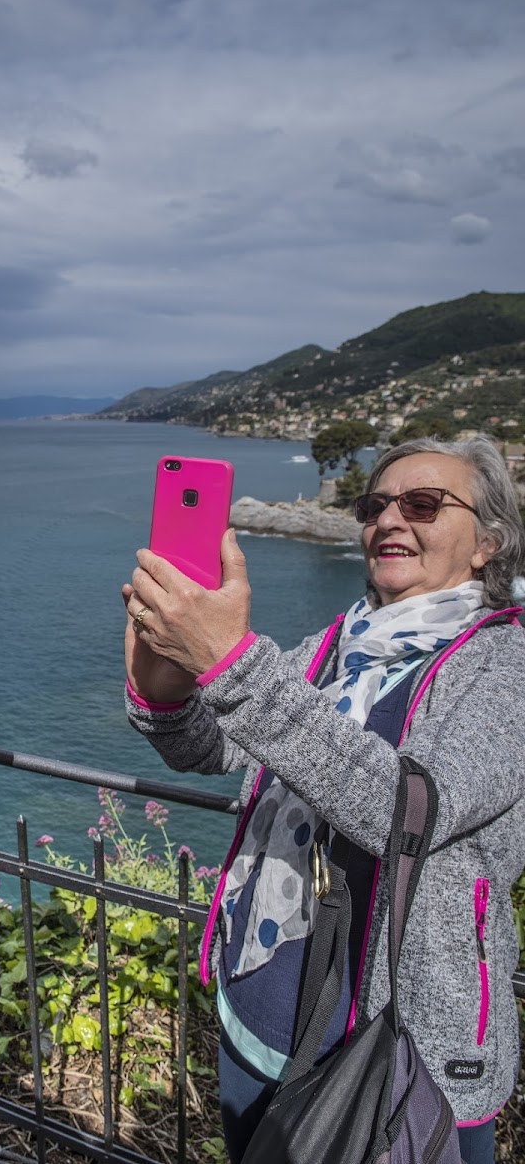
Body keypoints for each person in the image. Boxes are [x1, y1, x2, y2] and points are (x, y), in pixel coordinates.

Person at [123, 436, 525, 1164]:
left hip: (401, 1054)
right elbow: (207, 748)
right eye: (375, 506)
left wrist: (232, 663)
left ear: (487, 545)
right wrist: (167, 678)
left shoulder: (506, 669)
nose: (389, 520)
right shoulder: (337, 645)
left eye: (424, 504)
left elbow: (406, 809)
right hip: (259, 1017)